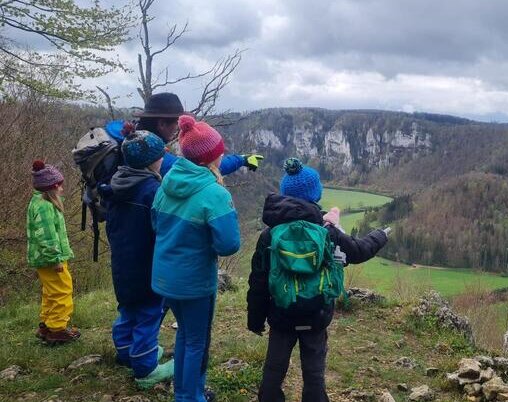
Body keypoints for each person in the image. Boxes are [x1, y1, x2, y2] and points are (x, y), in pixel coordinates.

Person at [247, 158, 389, 402]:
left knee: (273, 370)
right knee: (314, 374)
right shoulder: (327, 232)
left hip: (281, 314)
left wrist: (256, 320)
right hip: (316, 316)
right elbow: (358, 251)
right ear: (315, 195)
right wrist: (380, 235)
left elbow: (258, 281)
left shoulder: (269, 235)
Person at [151, 115, 241, 402]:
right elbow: (229, 244)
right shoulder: (214, 193)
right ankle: (189, 397)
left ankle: (187, 391)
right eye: (220, 151)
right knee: (197, 343)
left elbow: (155, 223)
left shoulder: (166, 183)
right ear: (210, 158)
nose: (223, 154)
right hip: (194, 282)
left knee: (185, 335)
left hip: (165, 276)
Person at [103, 131, 174, 388]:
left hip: (122, 263)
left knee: (128, 308)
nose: (163, 158)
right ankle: (145, 368)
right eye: (160, 155)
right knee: (148, 313)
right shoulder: (153, 190)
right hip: (147, 265)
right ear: (151, 161)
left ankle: (125, 352)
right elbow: (162, 231)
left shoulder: (116, 184)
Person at [130, 92, 264, 176]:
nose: (177, 128)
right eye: (175, 123)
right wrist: (241, 159)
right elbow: (203, 168)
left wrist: (241, 159)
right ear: (162, 124)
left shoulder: (131, 144)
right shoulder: (156, 159)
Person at [26, 160, 79, 344]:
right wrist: (56, 259)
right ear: (51, 189)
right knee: (62, 290)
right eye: (59, 187)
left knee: (50, 292)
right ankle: (57, 329)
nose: (62, 190)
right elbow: (47, 238)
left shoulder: (38, 202)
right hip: (51, 259)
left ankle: (47, 326)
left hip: (45, 259)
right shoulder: (45, 207)